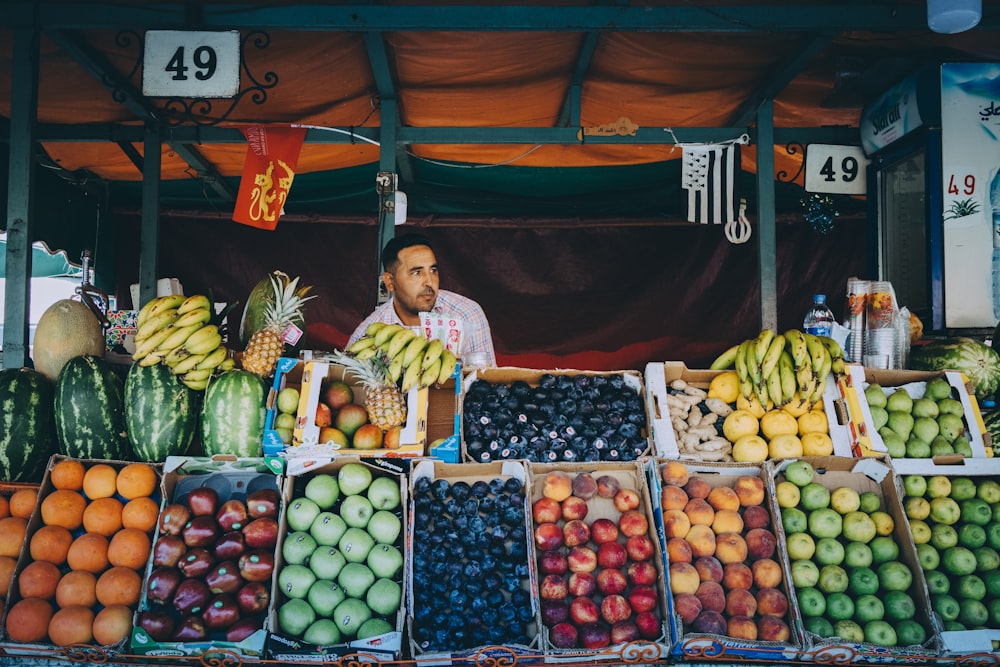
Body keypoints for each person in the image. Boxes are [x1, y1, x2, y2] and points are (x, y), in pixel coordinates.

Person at [348, 233, 497, 366]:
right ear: (390, 282)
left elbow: (485, 383)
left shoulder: (466, 314)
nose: (429, 282)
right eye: (417, 273)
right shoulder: (369, 332)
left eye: (433, 271)